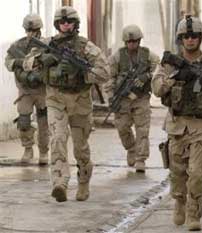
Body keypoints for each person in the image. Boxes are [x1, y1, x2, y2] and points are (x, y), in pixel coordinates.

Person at [152, 16, 202, 231]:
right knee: (178, 174)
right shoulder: (170, 63)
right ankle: (179, 201)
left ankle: (193, 212)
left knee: (197, 172)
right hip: (178, 125)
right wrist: (177, 76)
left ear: (200, 38)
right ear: (181, 39)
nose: (190, 40)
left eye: (194, 36)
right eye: (186, 36)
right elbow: (157, 88)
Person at [23, 6, 110, 202]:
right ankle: (60, 183)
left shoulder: (86, 46)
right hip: (56, 99)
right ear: (56, 24)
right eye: (62, 22)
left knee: (80, 147)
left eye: (69, 22)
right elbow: (27, 62)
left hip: (80, 102)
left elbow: (104, 72)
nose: (65, 25)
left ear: (75, 24)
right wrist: (42, 59)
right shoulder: (47, 44)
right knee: (58, 140)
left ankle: (83, 181)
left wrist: (81, 73)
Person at [107, 25, 159, 172]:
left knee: (142, 129)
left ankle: (141, 159)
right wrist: (110, 97)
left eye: (135, 41)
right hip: (123, 99)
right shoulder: (118, 56)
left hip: (141, 98)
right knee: (122, 127)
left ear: (139, 41)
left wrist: (147, 76)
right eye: (129, 42)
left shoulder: (147, 55)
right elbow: (110, 77)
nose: (132, 44)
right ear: (125, 42)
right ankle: (131, 148)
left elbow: (159, 66)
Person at [5, 14, 49, 165]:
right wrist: (19, 62)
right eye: (28, 30)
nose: (31, 33)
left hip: (42, 91)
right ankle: (28, 149)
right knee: (23, 121)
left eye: (34, 30)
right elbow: (8, 62)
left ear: (39, 29)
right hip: (24, 91)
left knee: (44, 122)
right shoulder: (18, 46)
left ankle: (44, 151)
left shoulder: (47, 45)